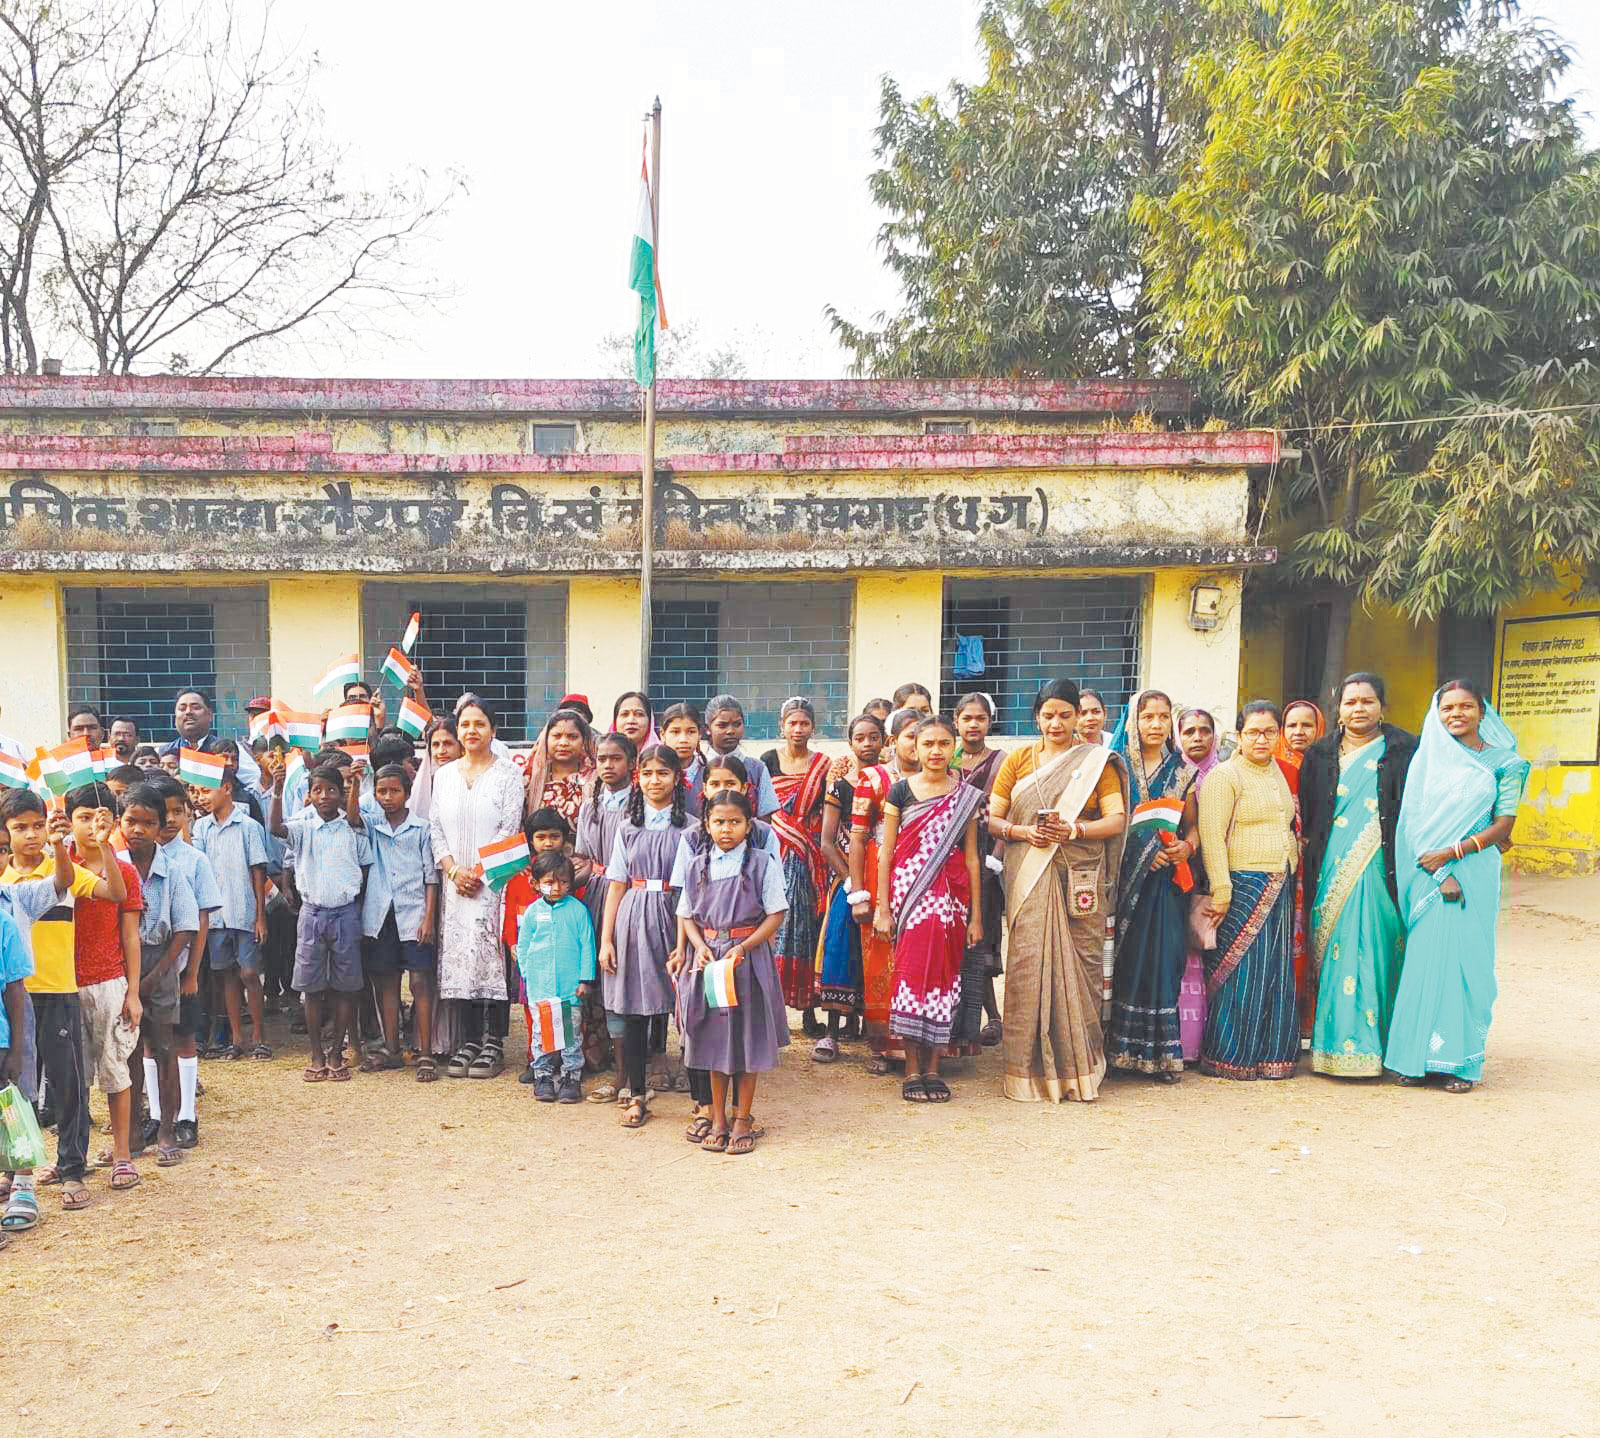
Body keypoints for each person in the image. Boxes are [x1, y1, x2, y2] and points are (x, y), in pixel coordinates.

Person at [988, 679, 1127, 1102]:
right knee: (1028, 965)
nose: (1057, 723)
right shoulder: (1018, 760)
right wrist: (1022, 831)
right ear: (1036, 717)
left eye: (1065, 714)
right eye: (1048, 715)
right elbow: (992, 819)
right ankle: (1025, 1073)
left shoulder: (1097, 762)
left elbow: (1117, 819)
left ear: (1079, 717)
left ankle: (1077, 1071)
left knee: (1081, 969)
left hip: (1079, 877)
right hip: (1029, 875)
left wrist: (1075, 829)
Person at [1386, 680, 1527, 1093]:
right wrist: (1439, 871)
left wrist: (1453, 854)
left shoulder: (1507, 763)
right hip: (1429, 874)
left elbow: (1504, 826)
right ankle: (1412, 1060)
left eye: (1466, 707)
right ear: (1437, 713)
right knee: (1424, 964)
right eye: (1447, 708)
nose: (1456, 715)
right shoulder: (1426, 761)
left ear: (1482, 711)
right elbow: (1411, 822)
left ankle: (1460, 1065)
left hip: (1474, 872)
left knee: (1467, 965)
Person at [0, 788, 126, 1220]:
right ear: (7, 833)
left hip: (58, 990)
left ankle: (72, 1168)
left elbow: (110, 892)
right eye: (21, 828)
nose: (31, 835)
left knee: (68, 1086)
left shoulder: (63, 868)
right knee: (16, 1092)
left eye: (38, 825)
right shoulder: (3, 886)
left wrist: (75, 846)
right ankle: (18, 1167)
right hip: (13, 999)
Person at [1298, 675, 1417, 1079]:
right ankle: (1333, 1047)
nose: (1359, 709)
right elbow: (1311, 814)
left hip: (1383, 863)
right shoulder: (1319, 754)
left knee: (1382, 948)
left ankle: (1379, 1046)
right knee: (1337, 948)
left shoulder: (1405, 749)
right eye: (1351, 702)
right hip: (1331, 862)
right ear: (1339, 708)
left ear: (1382, 705)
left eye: (1368, 701)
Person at [874, 715, 984, 1102]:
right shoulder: (900, 792)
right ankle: (910, 1068)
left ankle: (934, 1068)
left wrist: (977, 917)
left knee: (943, 977)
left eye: (943, 743)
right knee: (910, 975)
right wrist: (882, 908)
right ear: (914, 748)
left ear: (953, 746)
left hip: (952, 898)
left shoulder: (966, 794)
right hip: (909, 895)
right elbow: (886, 853)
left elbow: (972, 857)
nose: (936, 751)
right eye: (928, 744)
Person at [673, 790, 789, 1153]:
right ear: (706, 825)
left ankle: (743, 1118)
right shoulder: (697, 866)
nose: (726, 829)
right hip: (709, 962)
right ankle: (718, 1118)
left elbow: (776, 914)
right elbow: (687, 914)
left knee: (746, 1038)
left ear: (748, 824)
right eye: (719, 822)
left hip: (746, 961)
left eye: (735, 822)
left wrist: (744, 946)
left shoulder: (761, 862)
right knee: (712, 1037)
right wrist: (700, 947)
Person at [1196, 701, 1300, 1080]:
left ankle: (1272, 1056)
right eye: (1253, 732)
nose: (1262, 739)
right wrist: (1221, 888)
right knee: (1242, 972)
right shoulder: (1225, 776)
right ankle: (1231, 1056)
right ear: (1239, 736)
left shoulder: (1277, 773)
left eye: (1269, 731)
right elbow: (1211, 834)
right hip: (1243, 884)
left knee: (1274, 970)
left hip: (1280, 881)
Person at [427, 700, 525, 1080]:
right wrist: (453, 871)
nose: (471, 731)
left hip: (494, 884)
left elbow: (510, 829)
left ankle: (494, 1041)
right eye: (465, 724)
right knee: (462, 959)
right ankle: (468, 1040)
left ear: (492, 730)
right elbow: (436, 828)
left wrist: (480, 873)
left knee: (492, 957)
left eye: (479, 724)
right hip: (455, 886)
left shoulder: (507, 775)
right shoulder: (445, 775)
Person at [1108, 690, 1200, 1082]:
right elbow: (1110, 821)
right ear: (1135, 721)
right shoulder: (1117, 766)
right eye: (1148, 717)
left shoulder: (1183, 771)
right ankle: (1120, 1054)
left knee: (1164, 962)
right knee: (1127, 963)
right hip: (1128, 883)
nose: (1156, 725)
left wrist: (1186, 846)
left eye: (1164, 718)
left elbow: (1193, 825)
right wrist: (1144, 853)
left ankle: (1162, 1057)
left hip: (1167, 886)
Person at [598, 744, 690, 1129]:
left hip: (675, 917)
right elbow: (616, 885)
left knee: (684, 1008)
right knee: (633, 1009)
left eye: (663, 773)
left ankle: (700, 1097)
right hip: (633, 917)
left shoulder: (692, 828)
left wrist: (685, 944)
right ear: (639, 777)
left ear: (676, 778)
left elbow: (690, 891)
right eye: (648, 773)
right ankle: (636, 1094)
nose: (656, 781)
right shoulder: (627, 828)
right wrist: (607, 940)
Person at [115, 785, 199, 1176]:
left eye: (149, 823)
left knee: (163, 1048)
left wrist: (159, 973)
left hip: (161, 961)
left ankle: (166, 1132)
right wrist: (132, 979)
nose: (139, 829)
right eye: (131, 821)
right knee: (126, 1055)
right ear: (120, 822)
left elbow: (186, 927)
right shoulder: (112, 866)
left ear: (162, 826)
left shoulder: (174, 869)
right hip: (119, 963)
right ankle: (131, 1136)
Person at [67, 785, 144, 1192]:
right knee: (71, 1076)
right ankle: (71, 1159)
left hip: (109, 981)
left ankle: (123, 1155)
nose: (91, 825)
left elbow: (130, 937)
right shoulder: (60, 867)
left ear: (111, 823)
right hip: (64, 984)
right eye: (82, 817)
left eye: (99, 817)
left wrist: (132, 992)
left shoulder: (124, 871)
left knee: (116, 1071)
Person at [274, 764, 369, 1082]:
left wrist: (356, 783)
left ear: (341, 793)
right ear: (309, 794)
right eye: (317, 790)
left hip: (345, 913)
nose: (325, 796)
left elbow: (365, 869)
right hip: (312, 913)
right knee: (311, 988)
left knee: (345, 987)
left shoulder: (353, 826)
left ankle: (335, 1053)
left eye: (332, 789)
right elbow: (276, 829)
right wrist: (276, 790)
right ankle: (316, 1053)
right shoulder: (302, 826)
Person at [147, 774, 219, 1147]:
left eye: (179, 810)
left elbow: (203, 918)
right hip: (145, 969)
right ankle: (157, 1114)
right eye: (164, 812)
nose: (171, 819)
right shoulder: (137, 856)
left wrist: (192, 973)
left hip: (183, 967)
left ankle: (187, 1115)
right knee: (150, 1042)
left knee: (184, 1038)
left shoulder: (194, 860)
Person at [849, 706, 920, 1073]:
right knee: (879, 958)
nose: (916, 744)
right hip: (880, 872)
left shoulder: (939, 778)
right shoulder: (873, 779)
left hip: (923, 872)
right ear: (893, 742)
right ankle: (882, 1044)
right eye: (909, 736)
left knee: (918, 956)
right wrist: (859, 893)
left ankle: (918, 1041)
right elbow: (858, 838)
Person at [812, 714, 884, 1062]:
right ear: (850, 742)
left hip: (884, 875)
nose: (867, 744)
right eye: (860, 738)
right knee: (840, 946)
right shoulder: (840, 786)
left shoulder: (892, 784)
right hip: (848, 878)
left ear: (884, 741)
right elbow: (826, 842)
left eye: (873, 737)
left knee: (879, 954)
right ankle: (831, 1033)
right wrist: (851, 882)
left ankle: (878, 1038)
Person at [360, 763, 437, 1078]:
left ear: (407, 793)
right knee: (386, 982)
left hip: (414, 913)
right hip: (380, 915)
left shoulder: (421, 829)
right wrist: (354, 784)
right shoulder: (370, 826)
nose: (387, 797)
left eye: (394, 791)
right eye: (381, 791)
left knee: (419, 981)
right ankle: (392, 1049)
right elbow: (352, 816)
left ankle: (426, 1053)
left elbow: (431, 877)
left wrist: (429, 919)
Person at [191, 766, 272, 1060]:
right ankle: (236, 1039)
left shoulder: (248, 825)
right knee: (225, 975)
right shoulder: (201, 828)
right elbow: (197, 865)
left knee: (250, 973)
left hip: (244, 910)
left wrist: (261, 917)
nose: (202, 797)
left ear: (226, 788)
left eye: (206, 790)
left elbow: (258, 872)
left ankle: (259, 1036)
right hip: (216, 914)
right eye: (198, 792)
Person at [571, 732, 635, 1094]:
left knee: (620, 981)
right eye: (602, 760)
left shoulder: (639, 805)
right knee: (593, 977)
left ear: (631, 763)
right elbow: (584, 858)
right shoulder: (590, 805)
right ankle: (598, 1056)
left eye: (616, 759)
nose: (608, 766)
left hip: (627, 898)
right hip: (595, 895)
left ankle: (628, 1074)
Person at [761, 697, 831, 1026]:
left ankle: (808, 1010)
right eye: (792, 723)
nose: (798, 729)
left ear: (812, 727)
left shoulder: (824, 765)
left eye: (804, 723)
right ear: (782, 726)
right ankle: (772, 1013)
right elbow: (761, 809)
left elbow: (828, 809)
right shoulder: (767, 761)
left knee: (808, 930)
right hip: (776, 853)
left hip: (811, 857)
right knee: (774, 927)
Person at [514, 852, 596, 1104]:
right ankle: (544, 1076)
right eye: (549, 882)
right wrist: (527, 975)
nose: (556, 887)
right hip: (540, 987)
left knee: (570, 1034)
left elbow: (587, 945)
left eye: (562, 881)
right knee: (542, 1034)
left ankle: (571, 1076)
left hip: (570, 988)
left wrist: (585, 979)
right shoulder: (532, 913)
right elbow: (523, 946)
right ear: (536, 884)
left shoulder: (578, 911)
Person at [502, 808, 573, 1081]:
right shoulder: (520, 876)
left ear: (564, 839)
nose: (547, 843)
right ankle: (536, 1057)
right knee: (532, 1006)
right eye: (540, 837)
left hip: (561, 953)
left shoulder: (569, 873)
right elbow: (510, 913)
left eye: (554, 836)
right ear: (530, 840)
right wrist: (511, 942)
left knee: (562, 1005)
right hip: (530, 954)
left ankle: (561, 1059)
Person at [952, 693, 1005, 1047]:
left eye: (980, 718)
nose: (973, 724)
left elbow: (1009, 812)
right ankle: (957, 1021)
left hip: (987, 856)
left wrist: (996, 858)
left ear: (990, 722)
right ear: (956, 721)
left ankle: (994, 1018)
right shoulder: (946, 757)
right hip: (951, 856)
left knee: (981, 938)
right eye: (967, 718)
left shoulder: (1001, 761)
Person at [1273, 698, 1327, 1040]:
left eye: (1306, 725)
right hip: (1284, 867)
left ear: (1319, 728)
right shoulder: (1272, 766)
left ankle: (1315, 1023)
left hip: (1321, 862)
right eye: (1291, 725)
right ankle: (1287, 1023)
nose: (1298, 732)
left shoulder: (1329, 764)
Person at [1175, 707, 1220, 1063]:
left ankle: (1212, 1042)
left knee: (1214, 956)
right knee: (1183, 959)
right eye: (1189, 731)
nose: (1197, 738)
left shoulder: (1224, 775)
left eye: (1205, 731)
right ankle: (1184, 1043)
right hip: (1178, 876)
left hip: (1217, 878)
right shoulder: (1173, 776)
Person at [158, 689, 263, 795]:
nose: (188, 712)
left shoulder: (231, 749)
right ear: (175, 718)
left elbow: (255, 783)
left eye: (196, 707)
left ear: (210, 715)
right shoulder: (163, 753)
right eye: (182, 708)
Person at [0, 903, 31, 1248]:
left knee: (6, 1127)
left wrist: (17, 1050)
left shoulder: (4, 923)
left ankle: (23, 1184)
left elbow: (14, 989)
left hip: (0, 1042)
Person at [702, 695, 780, 818]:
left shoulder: (757, 769)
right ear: (707, 729)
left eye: (737, 724)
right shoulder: (697, 767)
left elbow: (765, 818)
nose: (730, 731)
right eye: (722, 725)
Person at [522, 707, 597, 824]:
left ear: (584, 741)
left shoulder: (596, 777)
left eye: (572, 737)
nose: (563, 743)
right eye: (557, 736)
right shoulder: (528, 777)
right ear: (546, 739)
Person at [659, 703, 709, 809]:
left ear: (699, 734)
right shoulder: (652, 774)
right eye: (675, 732)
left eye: (691, 732)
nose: (683, 739)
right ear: (663, 735)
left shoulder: (710, 774)